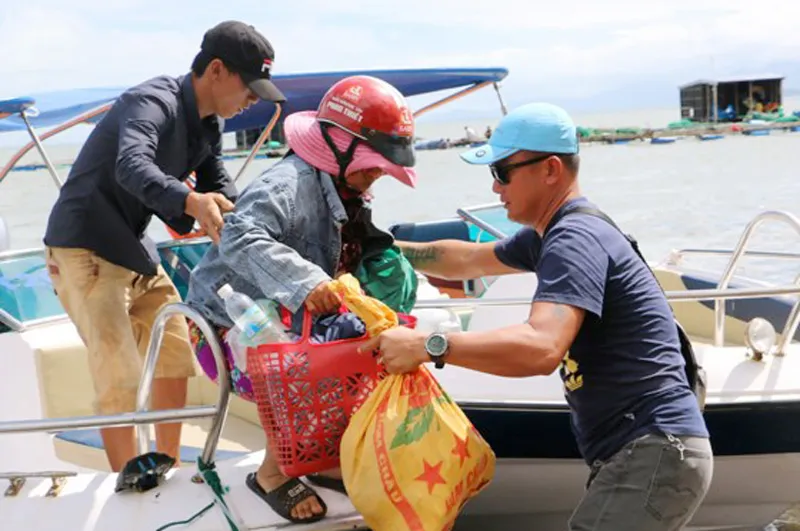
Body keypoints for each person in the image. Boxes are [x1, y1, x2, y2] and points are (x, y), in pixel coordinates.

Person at [360, 102, 714, 530]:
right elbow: (467, 260)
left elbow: (542, 347)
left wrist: (426, 346)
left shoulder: (573, 239)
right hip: (649, 450)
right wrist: (378, 248)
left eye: (502, 172)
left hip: (653, 448)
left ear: (550, 170)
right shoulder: (554, 234)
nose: (495, 187)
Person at [42, 20, 286, 472]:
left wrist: (257, 224)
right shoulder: (151, 101)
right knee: (119, 372)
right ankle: (125, 480)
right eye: (249, 89)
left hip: (132, 247)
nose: (252, 100)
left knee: (176, 349)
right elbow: (131, 166)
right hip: (83, 246)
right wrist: (190, 201)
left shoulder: (208, 127)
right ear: (216, 70)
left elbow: (221, 187)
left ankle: (168, 467)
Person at [185, 74, 417, 523]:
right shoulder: (286, 184)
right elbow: (239, 235)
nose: (377, 174)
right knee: (319, 363)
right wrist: (306, 282)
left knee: (372, 348)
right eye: (372, 163)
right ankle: (271, 474)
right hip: (224, 331)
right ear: (339, 147)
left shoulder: (348, 189)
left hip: (282, 322)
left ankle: (323, 460)